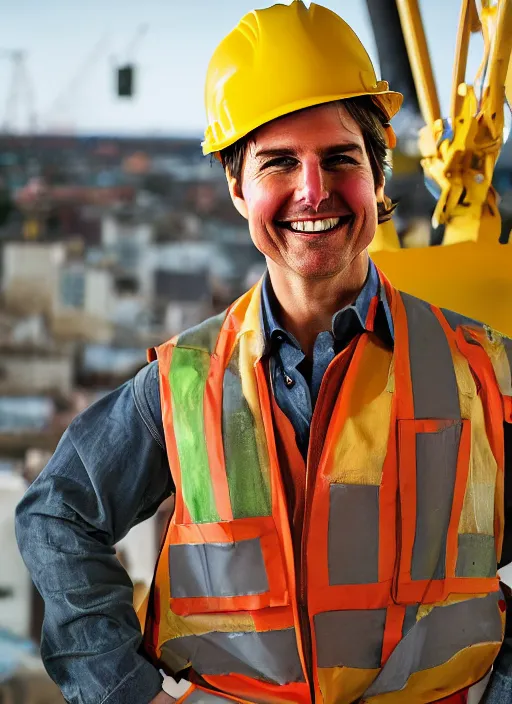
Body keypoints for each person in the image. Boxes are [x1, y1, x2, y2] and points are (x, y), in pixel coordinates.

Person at [15, 2, 512, 703]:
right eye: (279, 164)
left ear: (376, 173)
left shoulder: (481, 367)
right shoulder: (184, 381)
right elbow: (57, 513)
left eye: (340, 158)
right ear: (237, 187)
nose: (313, 190)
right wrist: (128, 694)